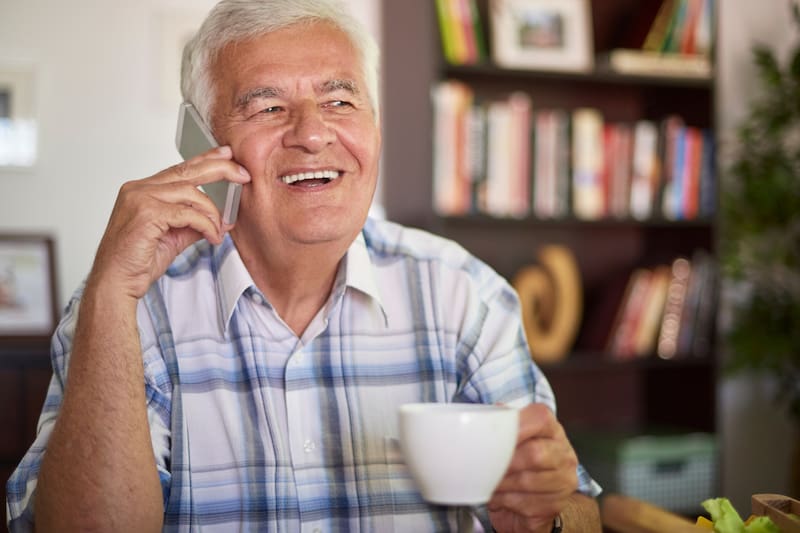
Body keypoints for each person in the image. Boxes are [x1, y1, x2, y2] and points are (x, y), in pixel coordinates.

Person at [6, 0, 602, 531]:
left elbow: (575, 510)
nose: (313, 134)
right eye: (268, 108)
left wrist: (546, 516)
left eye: (340, 100)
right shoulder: (124, 305)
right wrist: (112, 295)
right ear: (200, 143)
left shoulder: (464, 295)